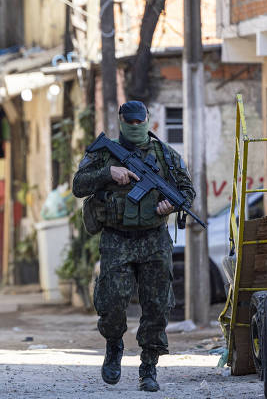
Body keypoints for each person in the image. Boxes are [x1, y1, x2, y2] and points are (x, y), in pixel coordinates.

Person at [72, 101, 195, 392]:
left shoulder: (165, 155)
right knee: (113, 302)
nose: (136, 127)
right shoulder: (103, 153)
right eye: (131, 122)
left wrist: (171, 206)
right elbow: (79, 184)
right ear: (121, 121)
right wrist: (108, 173)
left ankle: (148, 367)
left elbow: (187, 191)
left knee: (157, 305)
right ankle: (114, 345)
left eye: (141, 122)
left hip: (154, 239)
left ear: (148, 121)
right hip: (117, 238)